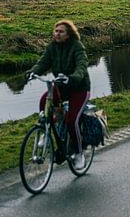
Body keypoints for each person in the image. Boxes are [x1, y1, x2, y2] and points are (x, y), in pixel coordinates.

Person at [26, 20, 91, 168]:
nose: (57, 34)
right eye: (56, 31)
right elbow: (43, 63)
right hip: (61, 86)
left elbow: (82, 66)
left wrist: (73, 77)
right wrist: (32, 72)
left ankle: (79, 153)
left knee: (71, 121)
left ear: (68, 35)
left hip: (79, 88)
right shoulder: (52, 47)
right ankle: (46, 130)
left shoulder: (77, 46)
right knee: (44, 101)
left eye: (61, 31)